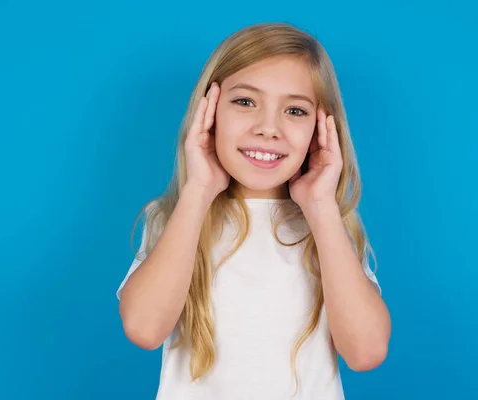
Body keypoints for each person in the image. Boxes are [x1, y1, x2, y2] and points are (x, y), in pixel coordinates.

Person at [116, 22, 391, 400]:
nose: (268, 128)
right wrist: (199, 189)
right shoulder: (175, 219)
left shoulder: (327, 228)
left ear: (320, 128)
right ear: (209, 113)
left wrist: (321, 207)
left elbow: (366, 352)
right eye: (245, 102)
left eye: (295, 110)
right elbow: (143, 329)